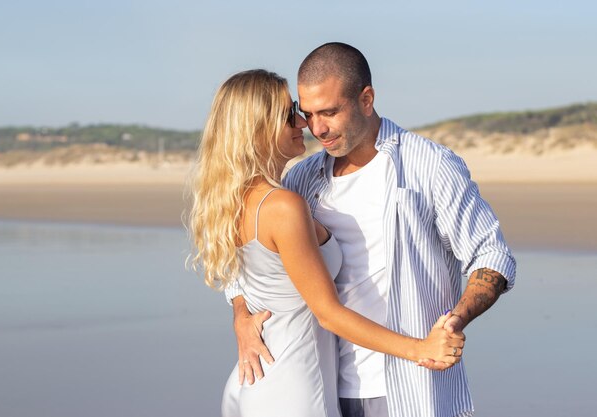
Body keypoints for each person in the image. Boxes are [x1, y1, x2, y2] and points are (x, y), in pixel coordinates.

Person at [227, 43, 517, 417]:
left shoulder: (428, 166)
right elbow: (247, 258)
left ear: (366, 99)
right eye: (308, 113)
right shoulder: (301, 179)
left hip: (410, 383)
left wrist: (454, 321)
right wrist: (240, 315)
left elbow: (490, 255)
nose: (317, 128)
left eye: (330, 112)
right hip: (322, 386)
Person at [189, 69, 466, 417]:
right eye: (289, 114)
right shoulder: (283, 206)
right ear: (257, 128)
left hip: (255, 382)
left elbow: (242, 277)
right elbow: (328, 315)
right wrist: (420, 350)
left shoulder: (235, 201)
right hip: (294, 390)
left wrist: (240, 314)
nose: (303, 124)